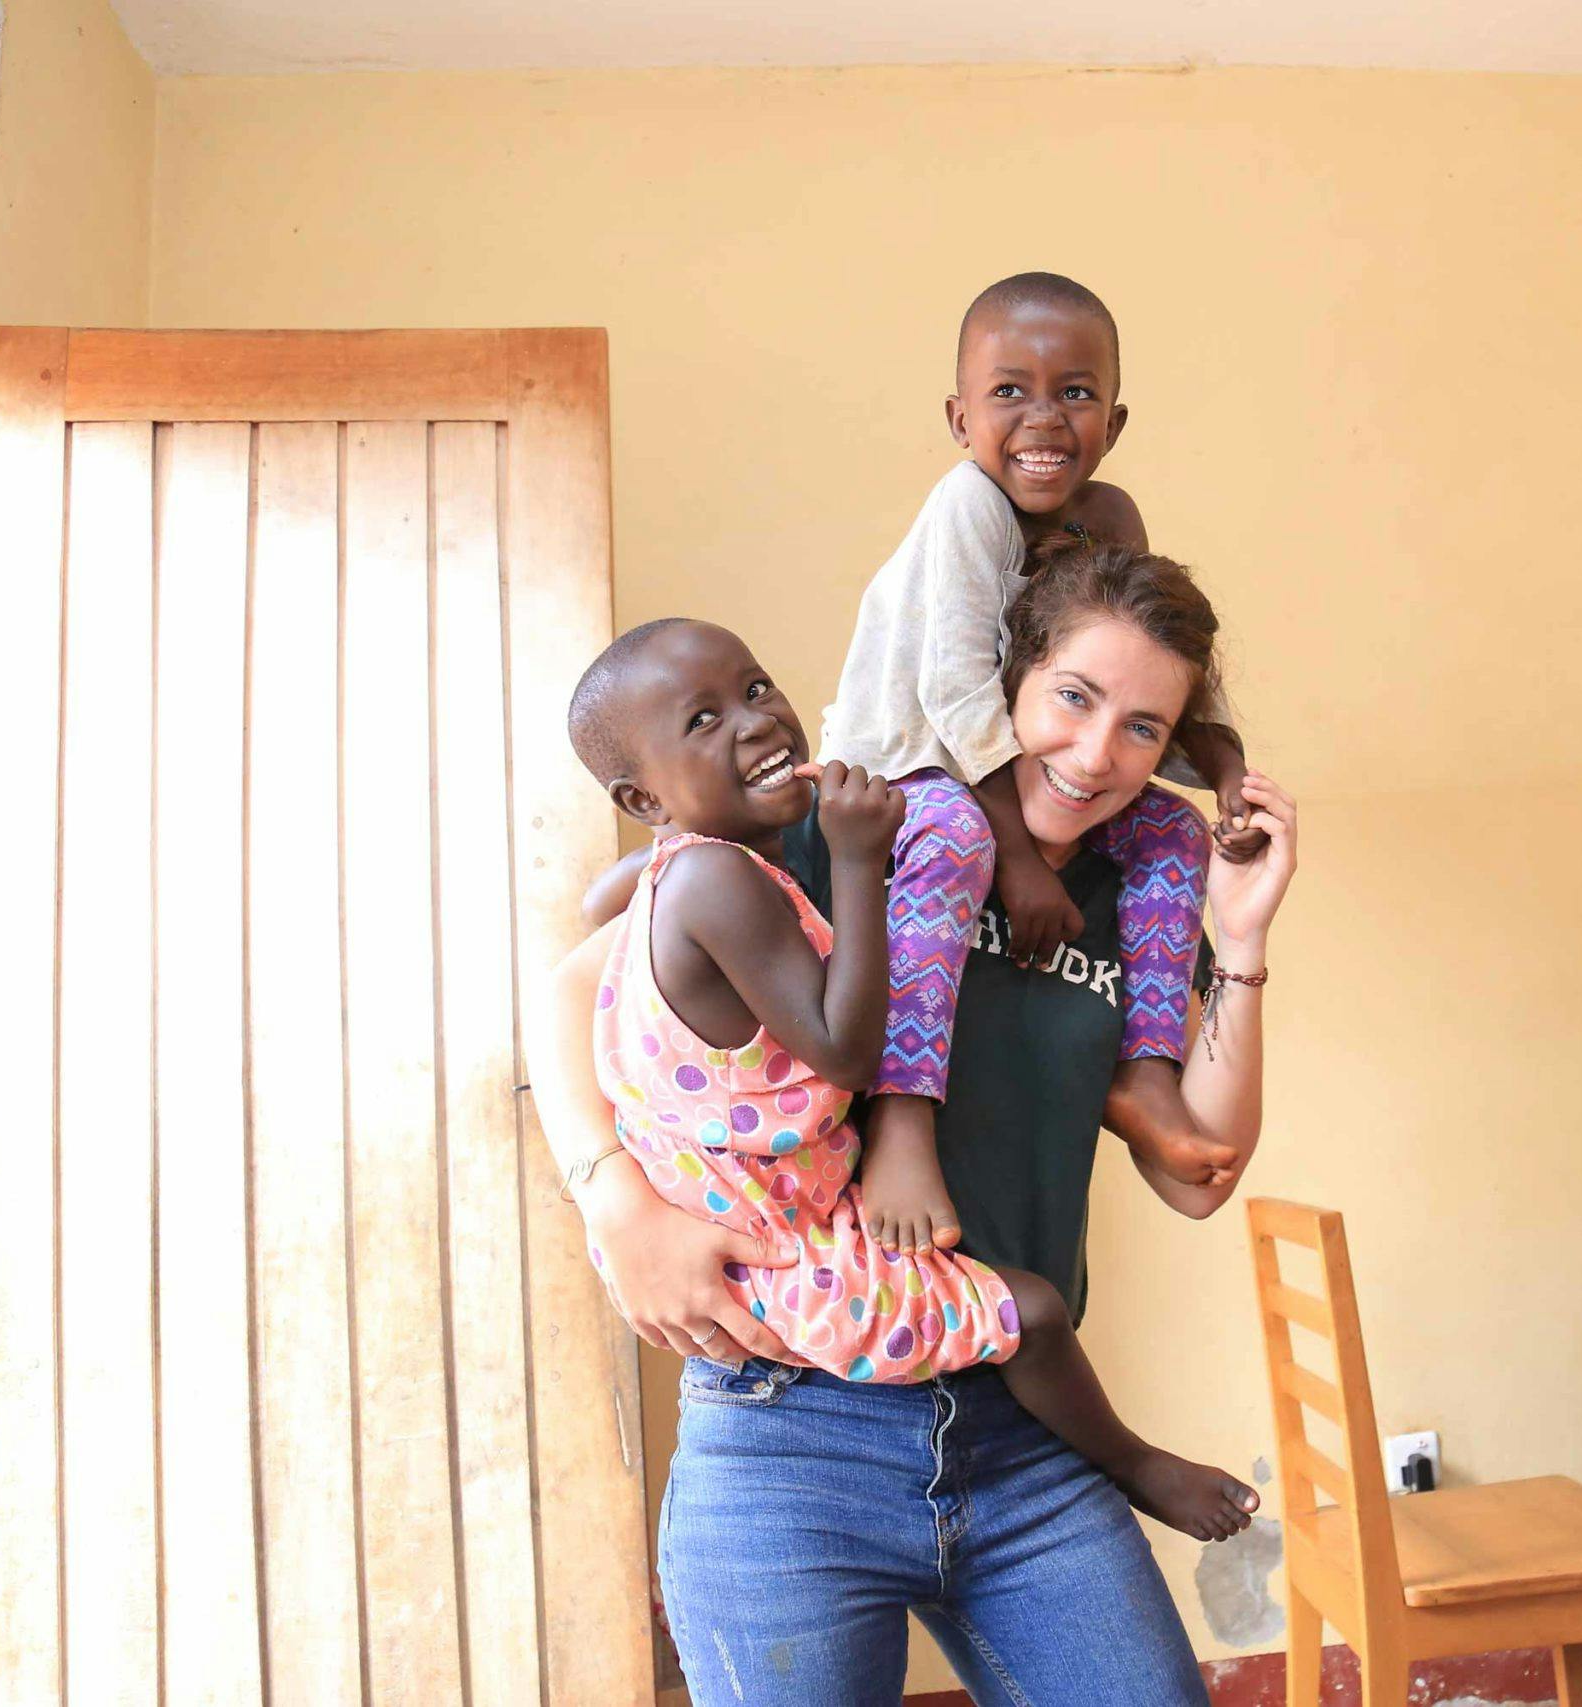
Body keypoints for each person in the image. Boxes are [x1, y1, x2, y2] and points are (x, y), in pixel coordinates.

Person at [525, 542, 1300, 1706]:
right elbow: (565, 987)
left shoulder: (1135, 897)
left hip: (1027, 1428)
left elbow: (1197, 1175)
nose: (1096, 755)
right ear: (1004, 688)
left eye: (1144, 728)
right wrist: (615, 1203)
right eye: (1073, 700)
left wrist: (1236, 942)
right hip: (794, 1431)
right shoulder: (853, 821)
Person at [584, 272, 1254, 1254]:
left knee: (1174, 828)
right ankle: (904, 1113)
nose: (1044, 419)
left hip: (1009, 1340)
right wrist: (618, 1207)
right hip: (907, 763)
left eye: (1074, 395)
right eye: (1009, 392)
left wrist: (1228, 788)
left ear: (1113, 420)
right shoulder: (966, 515)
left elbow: (1160, 662)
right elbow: (949, 695)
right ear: (958, 415)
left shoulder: (1102, 525)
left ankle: (1144, 1069)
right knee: (947, 834)